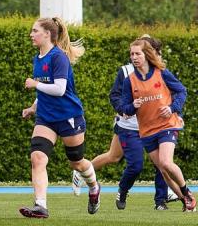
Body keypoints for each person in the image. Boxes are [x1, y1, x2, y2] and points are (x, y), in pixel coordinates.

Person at [71, 35, 177, 210]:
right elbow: (114, 96)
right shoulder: (126, 72)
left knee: (161, 163)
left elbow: (172, 92)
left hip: (153, 125)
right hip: (130, 126)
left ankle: (162, 199)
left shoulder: (159, 70)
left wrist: (171, 109)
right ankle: (84, 171)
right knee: (119, 158)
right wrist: (125, 109)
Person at [19, 17, 99, 219]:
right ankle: (41, 206)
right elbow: (44, 91)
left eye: (35, 31)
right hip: (46, 118)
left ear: (47, 34)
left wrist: (35, 84)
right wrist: (33, 107)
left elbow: (60, 89)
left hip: (68, 117)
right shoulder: (37, 58)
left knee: (77, 163)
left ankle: (94, 187)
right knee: (37, 158)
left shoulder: (58, 57)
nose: (31, 34)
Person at [119, 38, 194, 211]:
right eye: (131, 54)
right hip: (147, 131)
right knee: (163, 169)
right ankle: (186, 202)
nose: (134, 57)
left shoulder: (161, 73)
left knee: (166, 162)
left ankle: (186, 192)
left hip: (167, 125)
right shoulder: (129, 81)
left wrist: (172, 108)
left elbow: (181, 90)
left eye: (138, 53)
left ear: (146, 55)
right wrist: (132, 106)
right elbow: (124, 107)